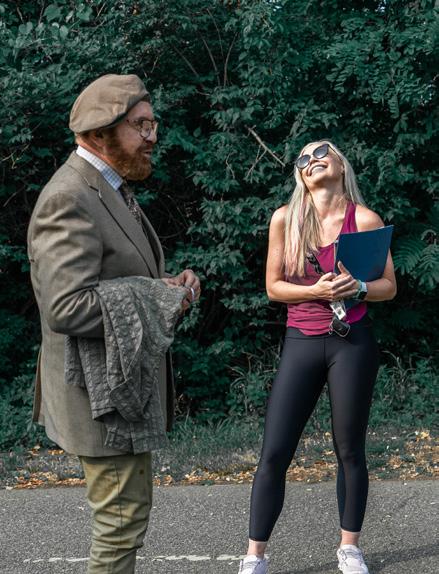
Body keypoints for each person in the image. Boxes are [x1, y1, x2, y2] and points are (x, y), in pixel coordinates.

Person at [27, 74, 201, 573]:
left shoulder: (109, 186)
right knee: (120, 525)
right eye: (140, 125)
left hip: (118, 391)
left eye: (153, 123)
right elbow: (66, 307)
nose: (153, 136)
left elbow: (115, 279)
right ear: (100, 134)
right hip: (100, 399)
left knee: (126, 519)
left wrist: (163, 286)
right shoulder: (69, 197)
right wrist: (158, 298)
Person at [238, 140, 397, 574]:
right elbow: (273, 287)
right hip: (302, 341)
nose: (311, 161)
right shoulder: (285, 219)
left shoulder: (365, 220)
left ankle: (350, 549)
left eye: (320, 152)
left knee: (350, 449)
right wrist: (316, 290)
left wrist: (358, 287)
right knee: (274, 451)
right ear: (299, 175)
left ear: (341, 163)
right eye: (303, 159)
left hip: (352, 342)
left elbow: (388, 286)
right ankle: (254, 556)